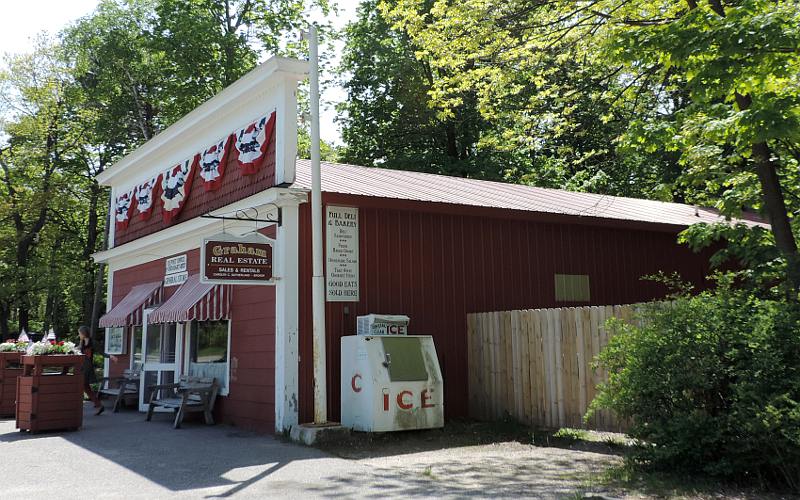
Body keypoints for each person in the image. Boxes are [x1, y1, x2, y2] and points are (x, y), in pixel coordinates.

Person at [77, 326, 117, 416]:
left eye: (79, 333)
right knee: (85, 386)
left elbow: (101, 353)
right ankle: (99, 405)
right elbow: (77, 350)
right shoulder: (82, 342)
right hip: (82, 366)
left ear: (83, 333)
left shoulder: (93, 342)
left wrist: (111, 356)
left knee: (82, 385)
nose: (79, 335)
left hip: (87, 367)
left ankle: (94, 405)